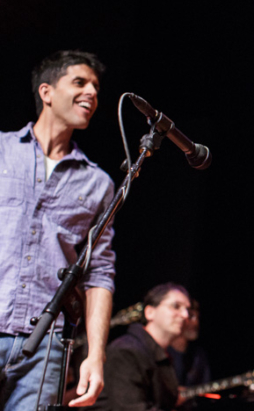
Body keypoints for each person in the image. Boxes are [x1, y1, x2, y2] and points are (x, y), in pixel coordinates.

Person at [0, 50, 116, 409]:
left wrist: (96, 356)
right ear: (47, 92)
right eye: (80, 82)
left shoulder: (98, 183)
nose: (92, 93)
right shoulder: (2, 151)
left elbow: (99, 274)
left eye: (96, 87)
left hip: (44, 347)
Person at [89, 283, 191, 411]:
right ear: (149, 312)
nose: (185, 315)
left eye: (188, 310)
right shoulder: (126, 350)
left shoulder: (161, 354)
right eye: (176, 307)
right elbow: (130, 408)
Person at [167, 299, 211, 388]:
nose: (196, 323)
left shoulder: (198, 355)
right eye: (191, 317)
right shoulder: (159, 352)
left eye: (197, 317)